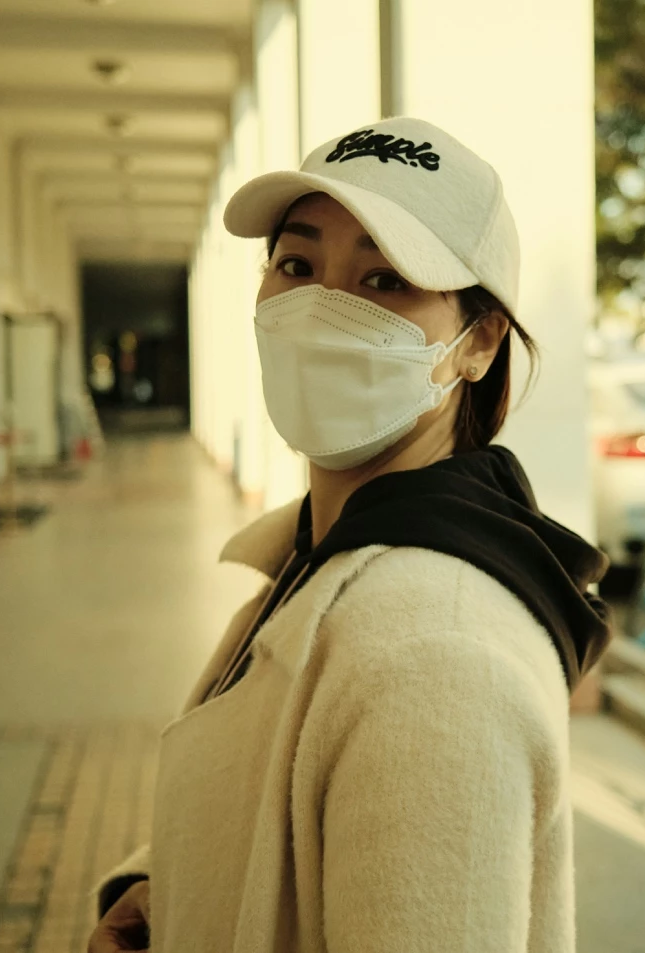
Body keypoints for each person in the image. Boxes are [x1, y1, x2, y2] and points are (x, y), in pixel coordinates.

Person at [88, 117, 610, 953]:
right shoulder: (323, 558)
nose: (321, 310)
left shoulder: (439, 654)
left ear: (478, 343)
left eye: (385, 280)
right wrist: (167, 890)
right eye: (297, 266)